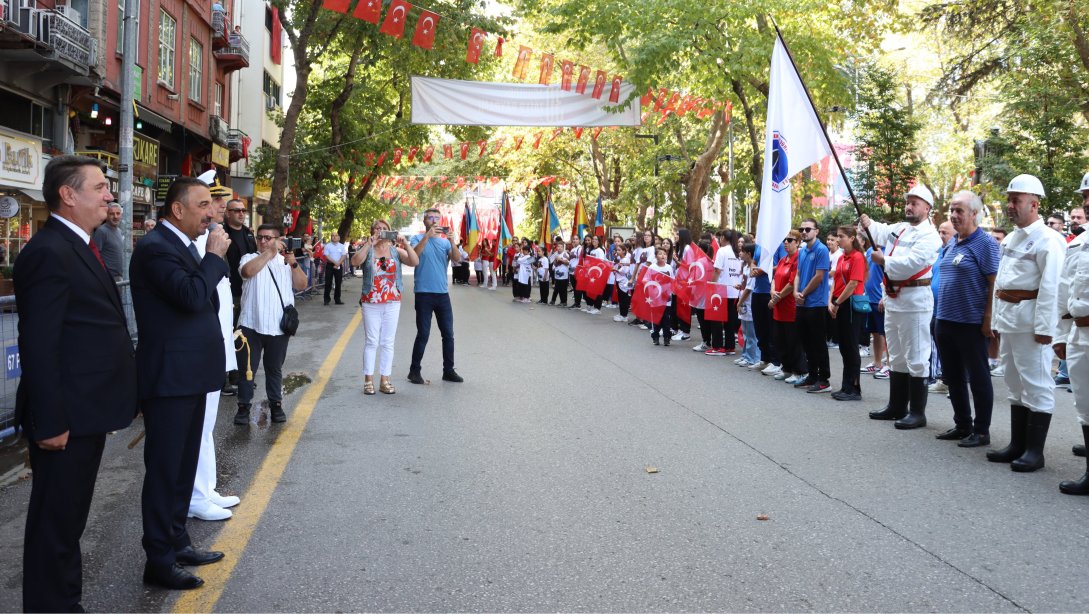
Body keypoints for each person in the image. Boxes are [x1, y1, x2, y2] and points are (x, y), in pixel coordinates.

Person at [15, 156, 137, 612]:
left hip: (85, 412)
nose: (110, 194)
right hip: (64, 418)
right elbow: (40, 346)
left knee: (67, 523)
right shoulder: (48, 252)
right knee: (56, 526)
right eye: (100, 186)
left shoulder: (80, 244)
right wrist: (50, 421)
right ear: (68, 195)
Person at [130, 176, 230, 590]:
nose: (212, 212)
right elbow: (191, 297)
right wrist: (213, 258)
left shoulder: (182, 246)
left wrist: (207, 260)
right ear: (178, 209)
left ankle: (177, 541)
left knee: (184, 468)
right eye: (204, 204)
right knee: (165, 470)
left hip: (191, 377)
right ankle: (159, 558)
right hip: (169, 380)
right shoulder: (155, 248)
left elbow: (204, 301)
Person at [986, 174, 1066, 472]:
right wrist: (994, 316)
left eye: (1015, 200)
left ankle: (1035, 451)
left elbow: (1051, 288)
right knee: (1014, 382)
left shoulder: (1049, 240)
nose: (1010, 205)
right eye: (1009, 199)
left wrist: (1046, 329)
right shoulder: (1010, 237)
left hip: (1031, 324)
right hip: (1009, 321)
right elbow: (1001, 283)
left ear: (1034, 204)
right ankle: (1017, 444)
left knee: (1037, 383)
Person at [861, 184, 942, 429]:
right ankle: (896, 405)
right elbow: (880, 231)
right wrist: (868, 223)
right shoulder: (902, 228)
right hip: (895, 298)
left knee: (917, 356)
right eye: (908, 201)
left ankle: (917, 412)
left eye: (915, 203)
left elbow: (912, 263)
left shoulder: (931, 236)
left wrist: (884, 260)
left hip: (915, 300)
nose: (909, 206)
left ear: (927, 208)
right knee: (895, 355)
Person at [187, 176, 241, 522]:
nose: (219, 207)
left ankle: (206, 489)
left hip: (216, 343)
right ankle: (196, 496)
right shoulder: (202, 243)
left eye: (218, 201)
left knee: (207, 424)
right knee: (199, 425)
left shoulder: (215, 239)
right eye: (210, 201)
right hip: (203, 346)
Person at [932, 191, 1001, 447]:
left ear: (974, 213)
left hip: (971, 323)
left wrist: (988, 317)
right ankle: (962, 424)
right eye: (952, 210)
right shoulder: (952, 242)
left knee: (978, 376)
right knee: (953, 376)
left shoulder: (986, 244)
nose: (954, 215)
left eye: (959, 210)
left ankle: (981, 430)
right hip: (945, 320)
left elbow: (994, 282)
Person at [235, 224, 308, 424]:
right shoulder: (249, 258)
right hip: (250, 325)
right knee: (246, 369)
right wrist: (270, 252)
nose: (263, 241)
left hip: (278, 326)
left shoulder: (286, 262)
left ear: (278, 239)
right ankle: (243, 407)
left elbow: (302, 285)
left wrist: (293, 264)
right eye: (260, 238)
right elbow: (248, 272)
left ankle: (276, 404)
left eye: (268, 238)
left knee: (274, 368)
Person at [351, 219, 419, 395]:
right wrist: (368, 244)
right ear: (372, 231)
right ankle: (368, 380)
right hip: (371, 300)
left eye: (384, 229)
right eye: (377, 228)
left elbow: (414, 262)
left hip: (392, 300)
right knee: (372, 341)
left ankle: (385, 379)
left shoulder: (396, 251)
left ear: (390, 232)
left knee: (388, 342)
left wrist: (406, 244)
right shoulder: (368, 249)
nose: (380, 231)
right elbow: (354, 261)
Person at [1056, 177, 1089, 493]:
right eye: (1086, 196)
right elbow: (1064, 292)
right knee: (1085, 401)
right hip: (1080, 331)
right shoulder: (1078, 241)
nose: (1088, 200)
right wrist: (1060, 334)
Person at [408, 208, 463, 384]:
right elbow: (414, 256)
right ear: (424, 221)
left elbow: (457, 259)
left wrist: (453, 241)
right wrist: (427, 237)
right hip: (423, 293)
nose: (434, 220)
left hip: (442, 294)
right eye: (430, 218)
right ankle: (414, 371)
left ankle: (448, 370)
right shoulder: (417, 238)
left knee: (448, 334)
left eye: (437, 218)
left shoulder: (445, 242)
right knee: (423, 333)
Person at [793, 218, 832, 393]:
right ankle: (812, 375)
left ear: (816, 231)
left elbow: (819, 276)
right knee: (806, 341)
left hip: (816, 303)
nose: (804, 232)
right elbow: (798, 274)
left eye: (808, 229)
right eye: (802, 229)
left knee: (818, 343)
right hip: (802, 303)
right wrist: (795, 292)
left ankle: (824, 379)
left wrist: (804, 293)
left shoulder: (822, 250)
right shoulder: (802, 251)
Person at [828, 226, 867, 401]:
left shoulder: (857, 257)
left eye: (841, 236)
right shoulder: (842, 257)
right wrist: (831, 301)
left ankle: (854, 388)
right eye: (837, 236)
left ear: (852, 238)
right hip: (840, 302)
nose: (838, 239)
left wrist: (837, 302)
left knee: (851, 346)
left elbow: (852, 284)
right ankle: (846, 386)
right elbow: (836, 281)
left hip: (850, 305)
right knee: (844, 346)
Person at [769, 231, 805, 382]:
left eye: (790, 240)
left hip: (790, 306)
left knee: (793, 341)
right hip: (779, 307)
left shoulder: (798, 259)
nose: (786, 242)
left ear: (797, 242)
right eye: (784, 240)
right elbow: (775, 278)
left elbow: (792, 284)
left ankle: (799, 371)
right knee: (780, 340)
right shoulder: (783, 259)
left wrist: (777, 298)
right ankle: (786, 368)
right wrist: (772, 291)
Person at [736, 244, 761, 368]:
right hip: (744, 302)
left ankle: (753, 358)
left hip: (749, 303)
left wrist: (739, 302)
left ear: (749, 254)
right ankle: (746, 355)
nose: (741, 254)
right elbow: (745, 285)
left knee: (751, 333)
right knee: (745, 331)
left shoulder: (753, 268)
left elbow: (749, 288)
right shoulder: (745, 267)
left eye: (743, 252)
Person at [647, 247, 675, 345]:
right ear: (656, 256)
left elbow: (672, 280)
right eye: (660, 253)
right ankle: (655, 336)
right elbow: (646, 280)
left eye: (664, 253)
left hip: (666, 297)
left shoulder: (669, 267)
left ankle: (667, 337)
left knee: (666, 319)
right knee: (656, 318)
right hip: (655, 297)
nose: (662, 255)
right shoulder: (652, 267)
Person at [93, 202, 125, 280]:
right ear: (106, 216)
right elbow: (94, 255)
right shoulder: (101, 231)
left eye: (118, 213)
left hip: (118, 276)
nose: (115, 216)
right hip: (107, 277)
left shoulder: (119, 231)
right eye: (112, 214)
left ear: (121, 215)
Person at [323, 231, 347, 305]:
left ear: (339, 237)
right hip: (330, 266)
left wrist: (338, 263)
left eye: (336, 235)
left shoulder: (342, 246)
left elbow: (344, 255)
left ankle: (337, 299)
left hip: (339, 265)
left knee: (338, 282)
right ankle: (326, 299)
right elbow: (326, 256)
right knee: (328, 283)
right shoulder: (327, 246)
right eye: (332, 235)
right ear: (331, 237)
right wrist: (335, 263)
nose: (334, 237)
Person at [550, 240, 570, 306]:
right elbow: (551, 261)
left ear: (563, 247)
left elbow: (568, 262)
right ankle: (554, 301)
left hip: (564, 275)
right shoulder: (556, 253)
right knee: (556, 288)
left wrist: (560, 260)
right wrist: (554, 265)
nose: (559, 248)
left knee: (563, 289)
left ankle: (564, 302)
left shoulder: (565, 254)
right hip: (557, 274)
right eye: (558, 246)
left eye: (561, 247)